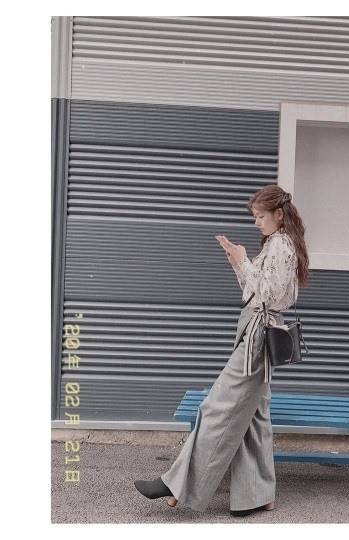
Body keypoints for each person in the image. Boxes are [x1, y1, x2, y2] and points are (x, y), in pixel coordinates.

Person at [134, 185, 310, 517]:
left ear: (279, 215)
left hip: (258, 337)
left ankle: (176, 486)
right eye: (254, 216)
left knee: (215, 408)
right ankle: (259, 496)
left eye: (260, 216)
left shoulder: (280, 246)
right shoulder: (277, 243)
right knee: (254, 418)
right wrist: (238, 264)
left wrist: (244, 261)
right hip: (257, 330)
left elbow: (269, 295)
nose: (256, 222)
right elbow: (253, 291)